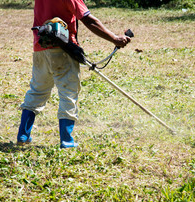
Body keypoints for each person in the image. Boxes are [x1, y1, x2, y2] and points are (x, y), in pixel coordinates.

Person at [17, 0, 131, 148]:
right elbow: (89, 20)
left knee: (37, 91)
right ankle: (66, 141)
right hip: (63, 50)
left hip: (40, 47)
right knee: (68, 93)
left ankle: (23, 135)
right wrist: (115, 38)